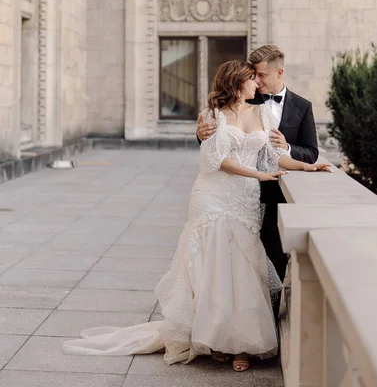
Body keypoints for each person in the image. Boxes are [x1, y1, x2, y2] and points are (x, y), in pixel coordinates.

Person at [64, 61, 330, 372]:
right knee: (214, 266)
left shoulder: (263, 114)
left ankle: (241, 343)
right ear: (236, 83)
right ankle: (217, 339)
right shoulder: (211, 116)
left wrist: (307, 166)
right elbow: (216, 160)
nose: (257, 84)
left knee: (243, 268)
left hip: (244, 201)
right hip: (214, 198)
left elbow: (274, 155)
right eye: (250, 79)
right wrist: (258, 174)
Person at [197, 46, 319, 301]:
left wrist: (292, 152)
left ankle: (266, 324)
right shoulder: (245, 99)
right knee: (224, 258)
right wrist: (200, 134)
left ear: (279, 72)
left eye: (261, 75)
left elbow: (309, 152)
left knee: (269, 263)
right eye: (252, 76)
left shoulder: (303, 107)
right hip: (231, 192)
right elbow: (217, 141)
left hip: (271, 198)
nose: (257, 81)